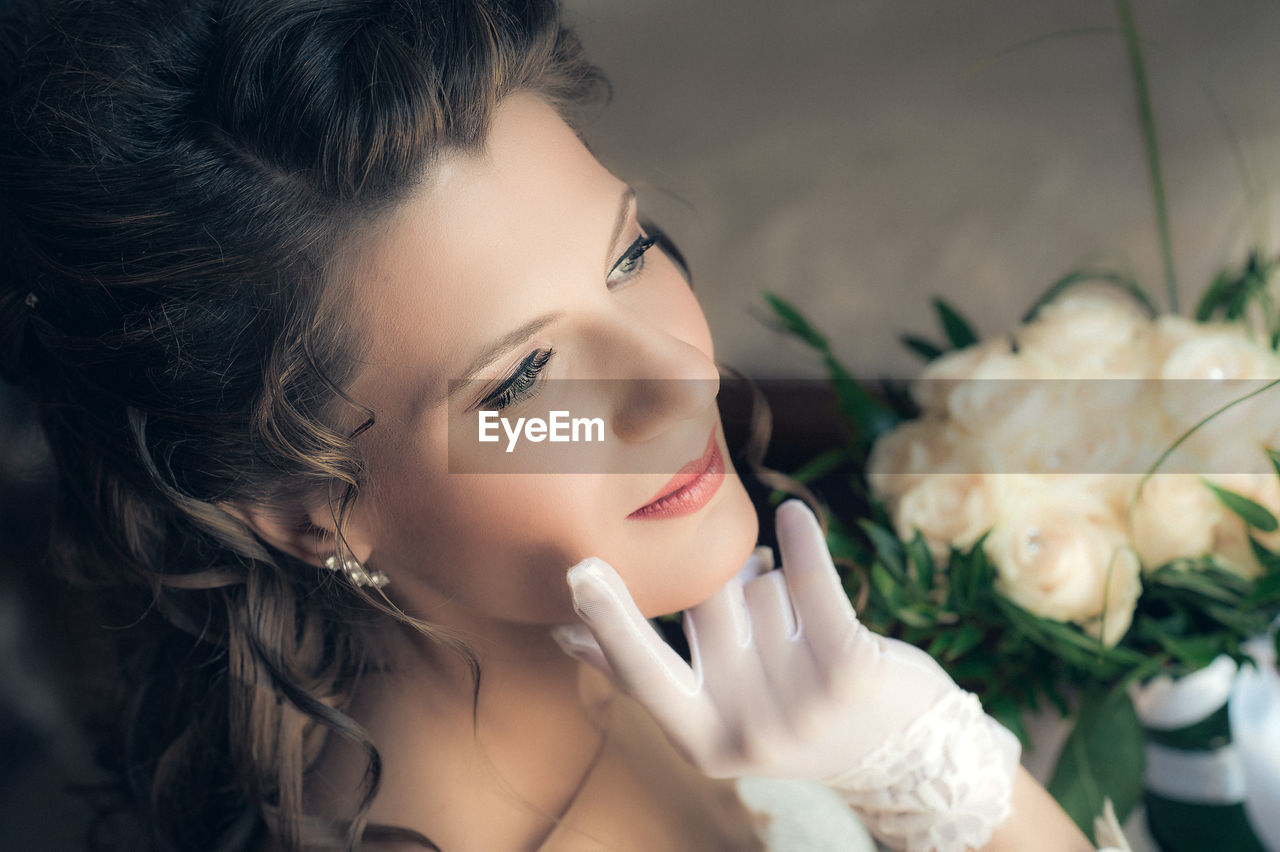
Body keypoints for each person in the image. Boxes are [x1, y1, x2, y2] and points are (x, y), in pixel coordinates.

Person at [0, 0, 1134, 850]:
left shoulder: (569, 630)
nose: (679, 383)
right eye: (523, 379)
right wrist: (942, 783)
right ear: (307, 511)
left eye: (628, 255)